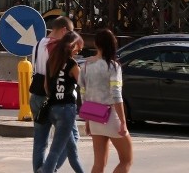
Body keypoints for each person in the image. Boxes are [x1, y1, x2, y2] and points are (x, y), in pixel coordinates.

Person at [79, 28, 133, 173]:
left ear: (96, 44)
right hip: (111, 117)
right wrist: (123, 121)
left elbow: (83, 93)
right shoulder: (113, 66)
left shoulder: (86, 65)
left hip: (95, 117)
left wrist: (88, 120)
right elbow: (116, 94)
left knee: (99, 164)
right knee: (126, 159)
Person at [31, 16, 75, 173]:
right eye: (71, 34)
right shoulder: (57, 47)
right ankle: (49, 169)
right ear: (64, 30)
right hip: (53, 98)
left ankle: (39, 170)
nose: (72, 38)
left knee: (40, 141)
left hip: (35, 96)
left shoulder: (38, 44)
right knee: (70, 140)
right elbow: (58, 74)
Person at [40, 30, 85, 173]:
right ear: (72, 46)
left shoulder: (51, 60)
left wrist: (55, 96)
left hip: (53, 109)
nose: (79, 51)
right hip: (67, 110)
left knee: (72, 152)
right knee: (55, 152)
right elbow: (83, 84)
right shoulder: (72, 64)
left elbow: (46, 87)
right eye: (78, 47)